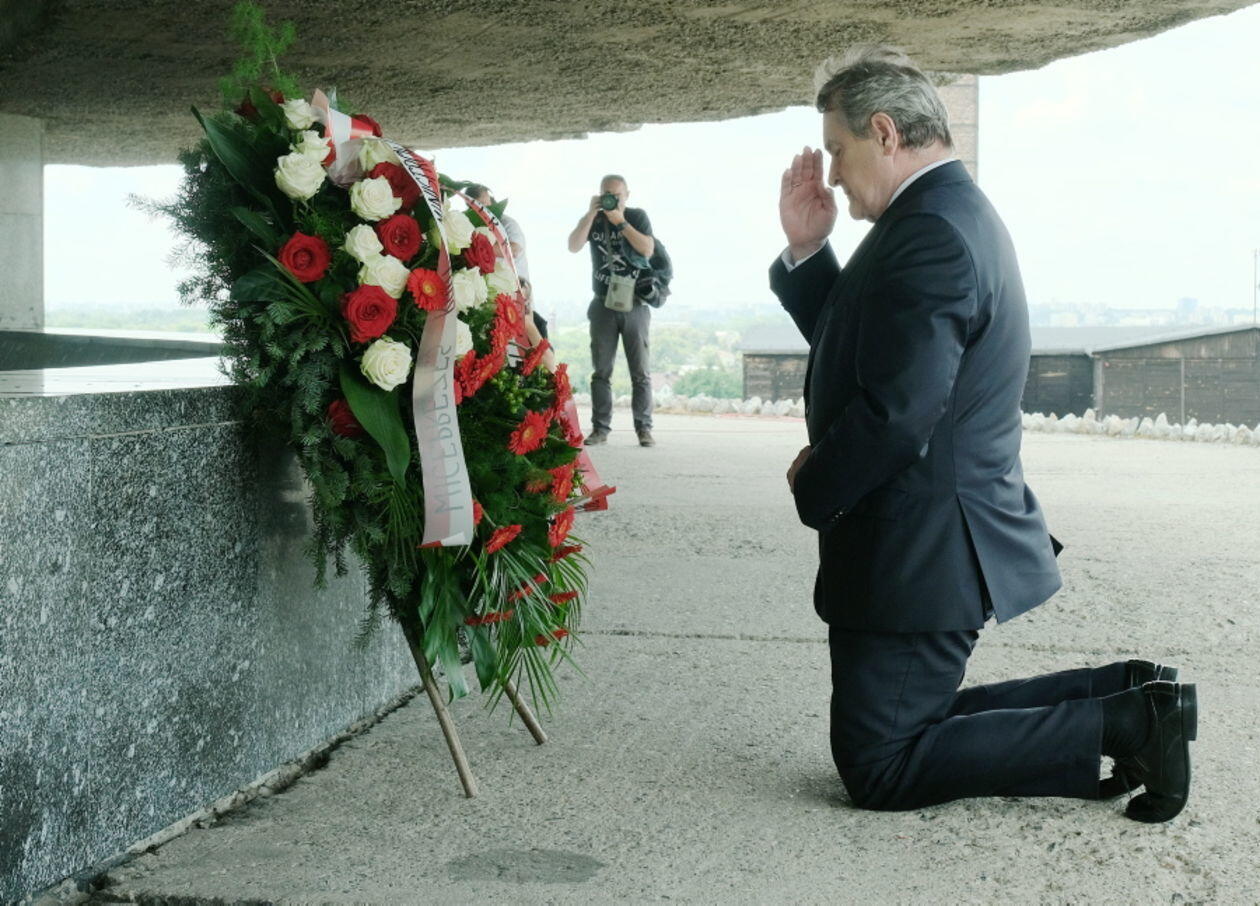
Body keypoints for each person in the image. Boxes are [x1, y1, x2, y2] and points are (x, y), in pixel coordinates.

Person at [771, 45, 1197, 821]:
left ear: (884, 132)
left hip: (921, 542)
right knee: (905, 730)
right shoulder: (936, 215)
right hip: (925, 539)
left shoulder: (930, 232)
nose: (831, 173)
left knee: (882, 763)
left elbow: (899, 411)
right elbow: (875, 350)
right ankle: (1131, 696)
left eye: (837, 149)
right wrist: (808, 251)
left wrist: (815, 482)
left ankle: (1132, 722)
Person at [567, 174, 656, 447]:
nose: (612, 199)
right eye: (606, 194)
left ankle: (644, 429)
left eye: (616, 195)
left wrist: (621, 222)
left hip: (634, 303)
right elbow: (573, 246)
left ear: (627, 195)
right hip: (603, 302)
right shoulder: (594, 218)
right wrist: (589, 215)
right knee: (601, 371)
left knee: (640, 372)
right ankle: (600, 429)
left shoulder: (637, 216)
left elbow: (647, 249)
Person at [464, 184, 549, 343]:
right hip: (493, 300)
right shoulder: (471, 226)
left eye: (486, 204)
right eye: (475, 206)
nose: (483, 210)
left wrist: (479, 248)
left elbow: (514, 249)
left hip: (519, 295)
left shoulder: (507, 223)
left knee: (530, 344)